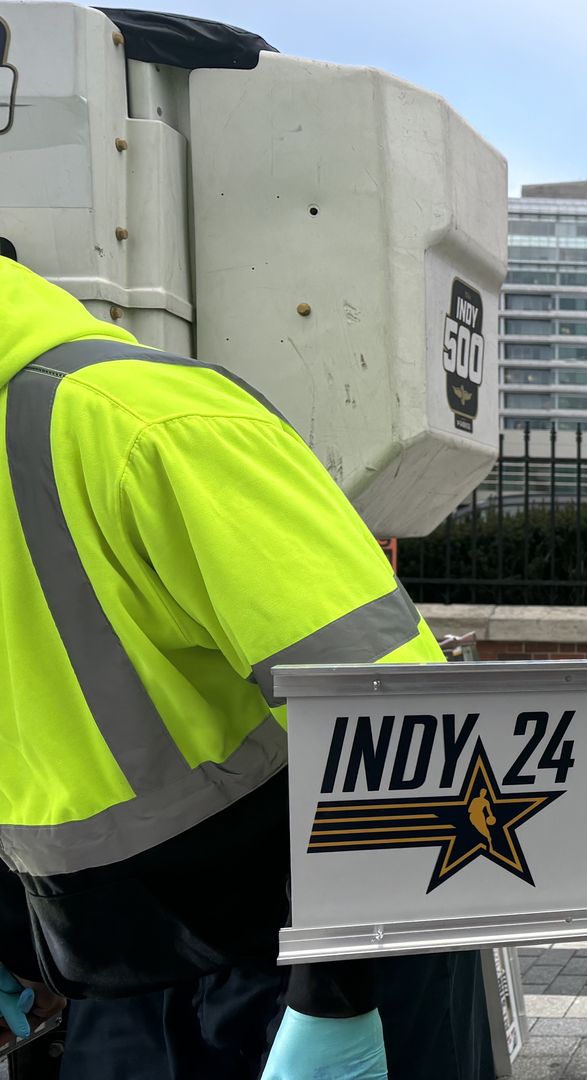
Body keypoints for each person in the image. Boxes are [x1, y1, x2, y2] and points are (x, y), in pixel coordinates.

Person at [0, 256, 494, 1079]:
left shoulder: (147, 426)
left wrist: (334, 997)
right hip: (120, 981)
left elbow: (406, 723)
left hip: (317, 960)